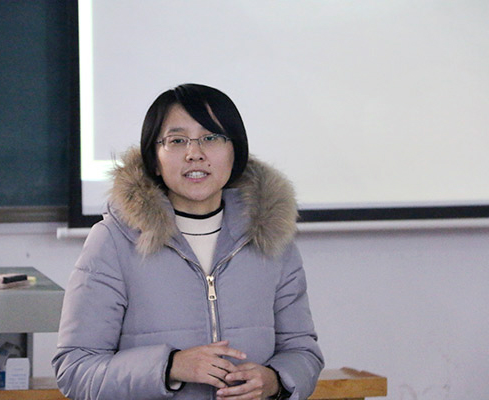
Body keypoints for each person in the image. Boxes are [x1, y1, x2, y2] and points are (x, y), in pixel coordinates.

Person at [52, 83, 324, 399]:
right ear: (154, 159)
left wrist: (275, 380)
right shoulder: (114, 240)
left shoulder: (271, 236)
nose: (195, 154)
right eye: (177, 141)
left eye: (211, 138)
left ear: (235, 152)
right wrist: (169, 367)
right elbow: (75, 370)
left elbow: (303, 352)